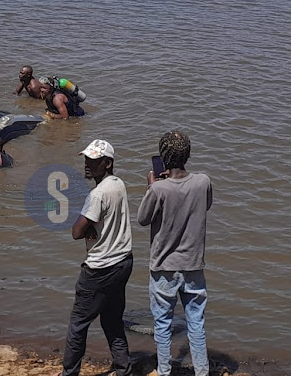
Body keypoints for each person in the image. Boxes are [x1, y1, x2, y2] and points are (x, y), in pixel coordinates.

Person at [137, 131, 213, 376]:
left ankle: (164, 370)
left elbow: (142, 219)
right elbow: (206, 205)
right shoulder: (203, 182)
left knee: (162, 324)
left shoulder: (159, 189)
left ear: (164, 159)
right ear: (187, 155)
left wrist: (152, 187)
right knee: (196, 324)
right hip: (193, 266)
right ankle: (202, 371)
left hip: (164, 268)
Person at [60, 140, 133, 376]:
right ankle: (123, 368)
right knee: (112, 320)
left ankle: (69, 372)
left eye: (93, 160)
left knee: (78, 324)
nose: (87, 164)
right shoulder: (118, 184)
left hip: (100, 268)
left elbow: (76, 232)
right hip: (123, 261)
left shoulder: (97, 194)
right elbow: (107, 220)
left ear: (107, 163)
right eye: (86, 159)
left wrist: (86, 225)